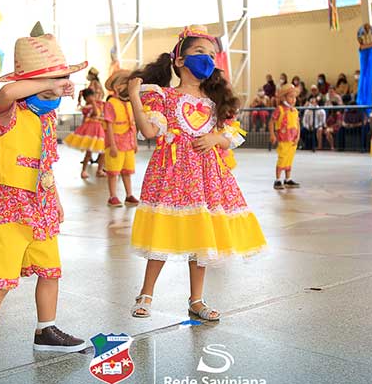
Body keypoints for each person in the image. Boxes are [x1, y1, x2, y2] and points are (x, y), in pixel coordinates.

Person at [0, 27, 88, 384]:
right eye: (50, 88)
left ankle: (46, 330)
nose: (57, 94)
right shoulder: (6, 112)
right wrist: (50, 81)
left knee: (50, 270)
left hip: (40, 204)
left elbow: (46, 163)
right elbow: (7, 92)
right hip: (6, 207)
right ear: (30, 84)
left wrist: (55, 198)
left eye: (60, 87)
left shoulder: (45, 118)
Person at [127, 25, 267, 322]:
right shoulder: (164, 96)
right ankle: (146, 294)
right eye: (199, 52)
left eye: (212, 55)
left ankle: (197, 299)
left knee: (201, 237)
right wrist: (135, 97)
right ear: (179, 60)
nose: (207, 58)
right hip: (172, 173)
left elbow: (231, 135)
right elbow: (149, 130)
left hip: (206, 175)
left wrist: (216, 138)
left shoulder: (216, 100)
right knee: (162, 234)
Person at [104, 70, 139, 207]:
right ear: (117, 87)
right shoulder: (111, 103)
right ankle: (112, 196)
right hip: (116, 142)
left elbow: (133, 124)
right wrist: (112, 145)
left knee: (127, 171)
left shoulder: (129, 103)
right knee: (113, 172)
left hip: (128, 142)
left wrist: (135, 142)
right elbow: (109, 125)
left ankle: (129, 195)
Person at [64, 88, 107, 179]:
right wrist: (94, 103)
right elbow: (96, 113)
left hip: (98, 129)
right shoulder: (88, 107)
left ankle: (99, 170)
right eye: (90, 97)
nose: (93, 98)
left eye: (93, 96)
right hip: (91, 130)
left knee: (103, 151)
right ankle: (83, 171)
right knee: (89, 152)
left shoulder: (98, 104)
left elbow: (101, 114)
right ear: (86, 98)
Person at [269, 84, 300, 189]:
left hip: (293, 140)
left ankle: (288, 179)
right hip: (283, 139)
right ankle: (278, 180)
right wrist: (272, 134)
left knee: (289, 159)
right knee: (282, 158)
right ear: (284, 98)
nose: (293, 99)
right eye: (291, 97)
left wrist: (298, 136)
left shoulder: (294, 110)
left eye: (294, 97)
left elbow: (297, 124)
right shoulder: (280, 109)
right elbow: (272, 122)